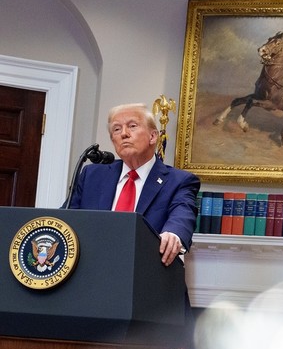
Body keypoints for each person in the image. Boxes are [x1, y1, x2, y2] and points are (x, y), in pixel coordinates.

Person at [68, 103, 200, 265]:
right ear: (113, 141)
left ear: (153, 136)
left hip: (146, 275)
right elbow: (67, 218)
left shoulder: (178, 181)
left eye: (132, 126)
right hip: (93, 273)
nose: (124, 134)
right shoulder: (92, 175)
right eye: (116, 129)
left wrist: (174, 234)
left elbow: (183, 213)